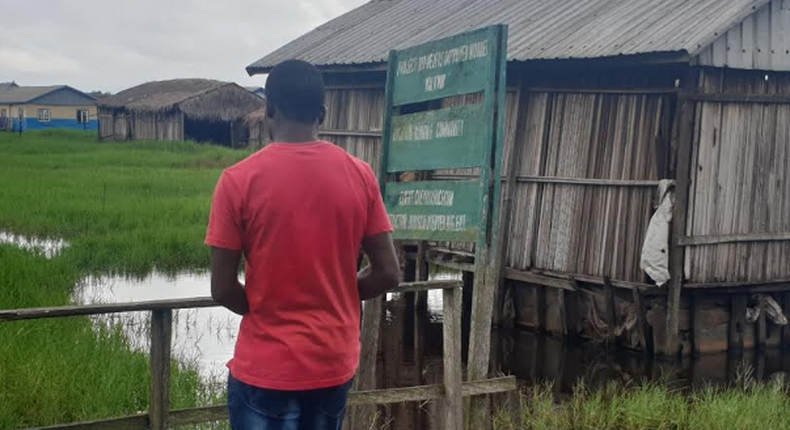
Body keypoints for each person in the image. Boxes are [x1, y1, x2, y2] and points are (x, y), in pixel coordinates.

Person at [205, 60, 399, 430]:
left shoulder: (237, 181)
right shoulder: (359, 175)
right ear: (322, 114)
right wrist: (340, 293)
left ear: (270, 110)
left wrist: (265, 307)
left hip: (266, 368)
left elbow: (222, 287)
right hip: (332, 364)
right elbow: (388, 273)